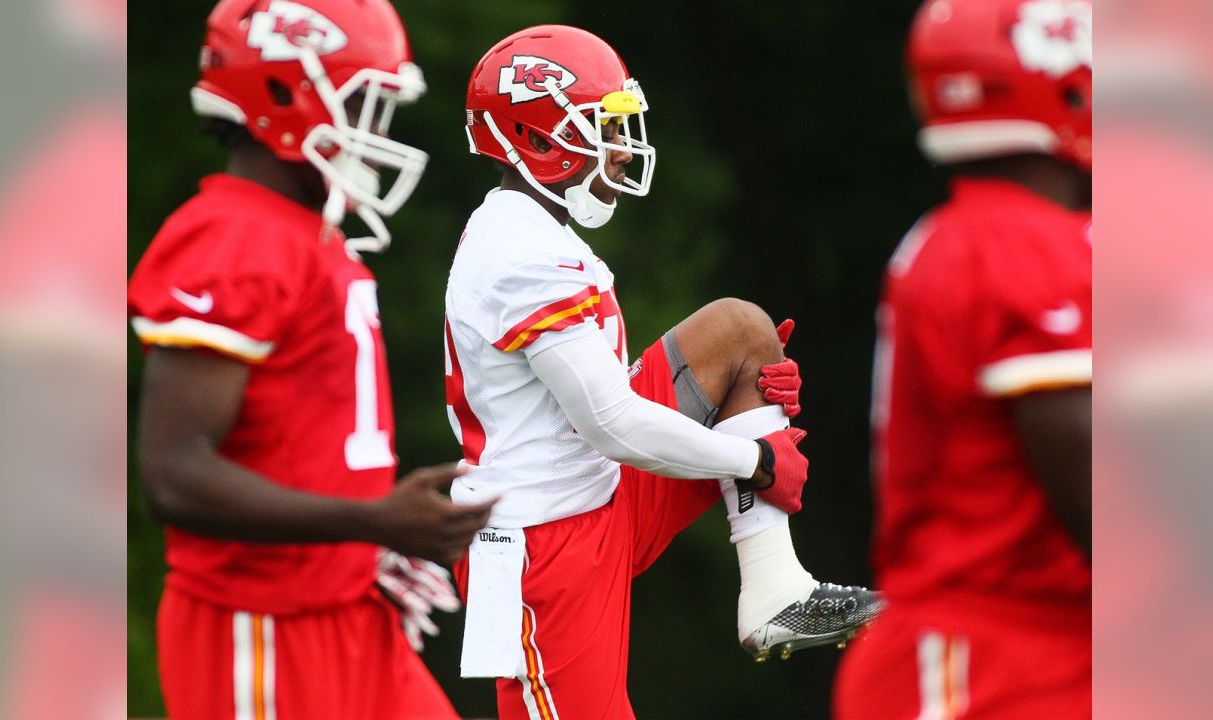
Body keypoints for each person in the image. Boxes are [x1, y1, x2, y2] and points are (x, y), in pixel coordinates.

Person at [445, 24, 882, 719]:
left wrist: (742, 397)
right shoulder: (518, 251)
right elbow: (611, 420)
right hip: (535, 547)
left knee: (740, 333)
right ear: (536, 139)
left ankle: (775, 589)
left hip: (595, 494)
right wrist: (753, 457)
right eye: (601, 126)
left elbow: (603, 407)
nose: (620, 147)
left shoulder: (536, 232)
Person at [128, 1, 493, 717]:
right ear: (284, 95)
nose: (372, 132)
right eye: (360, 104)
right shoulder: (231, 237)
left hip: (348, 608)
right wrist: (371, 522)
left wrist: (367, 540)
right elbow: (172, 475)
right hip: (259, 625)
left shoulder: (309, 234)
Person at [833, 1, 1092, 717]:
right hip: (994, 663)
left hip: (1040, 649)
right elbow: (1103, 498)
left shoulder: (985, 235)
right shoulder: (1016, 243)